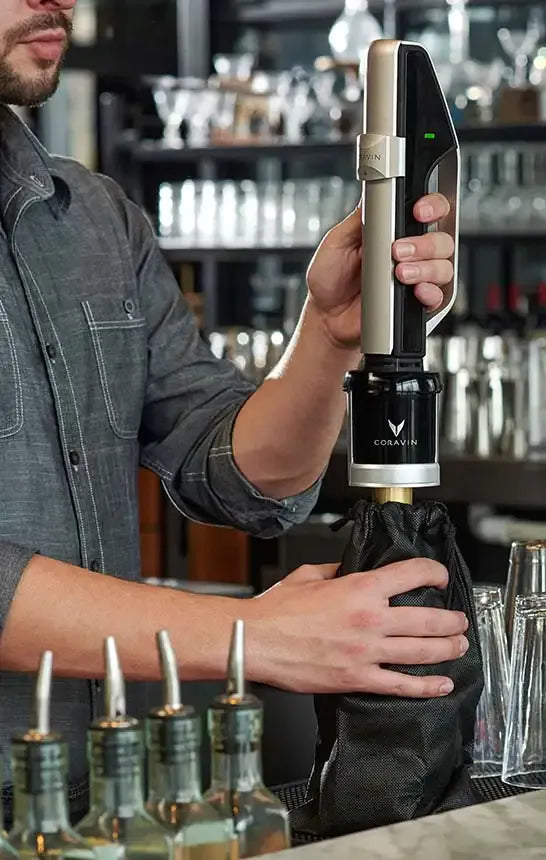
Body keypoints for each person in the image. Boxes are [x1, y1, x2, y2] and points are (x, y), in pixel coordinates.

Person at [0, 0, 469, 818]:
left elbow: (237, 476)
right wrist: (253, 637)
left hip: (91, 805)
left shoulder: (96, 220)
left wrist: (327, 336)